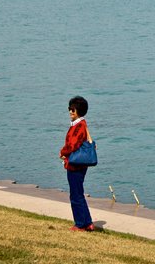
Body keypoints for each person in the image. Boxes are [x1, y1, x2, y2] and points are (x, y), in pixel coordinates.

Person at [59, 96, 94, 231]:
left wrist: (62, 152)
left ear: (78, 111)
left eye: (72, 110)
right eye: (69, 109)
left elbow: (72, 145)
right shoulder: (80, 124)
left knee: (75, 194)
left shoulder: (79, 125)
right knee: (79, 193)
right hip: (79, 164)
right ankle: (87, 222)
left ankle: (80, 223)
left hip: (75, 165)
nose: (70, 112)